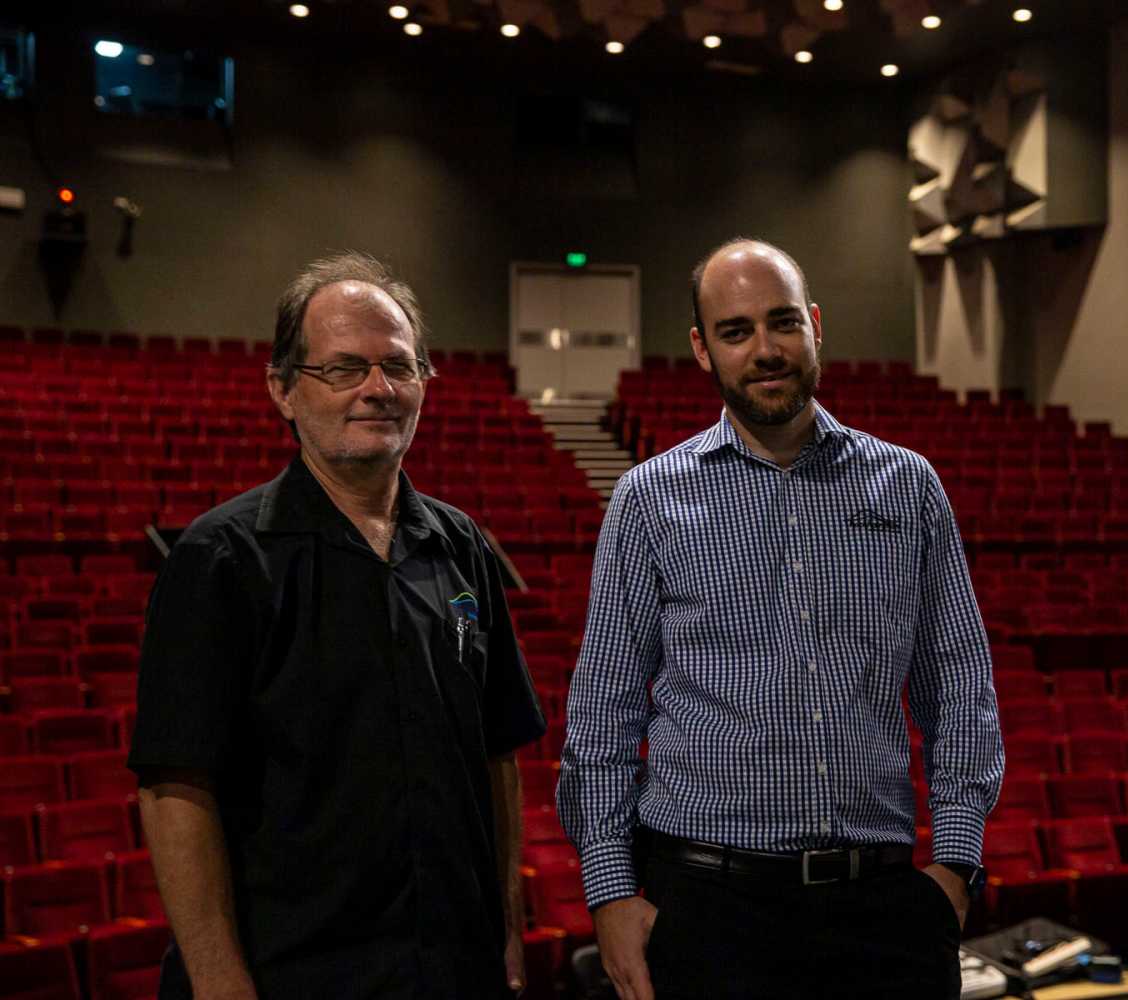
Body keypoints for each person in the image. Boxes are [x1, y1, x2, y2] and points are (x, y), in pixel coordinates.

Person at [557, 238, 1003, 1000]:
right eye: (736, 331)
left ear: (815, 327)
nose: (764, 350)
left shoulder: (908, 489)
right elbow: (601, 717)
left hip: (880, 910)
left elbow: (959, 686)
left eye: (782, 323)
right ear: (703, 349)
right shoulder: (648, 500)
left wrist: (956, 865)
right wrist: (609, 894)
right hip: (707, 910)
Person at [128, 252, 547, 999]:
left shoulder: (463, 548)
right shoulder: (219, 559)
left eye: (399, 367)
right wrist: (221, 982)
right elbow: (174, 789)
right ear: (284, 390)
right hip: (295, 972)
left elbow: (497, 757)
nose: (379, 390)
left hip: (452, 969)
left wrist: (505, 931)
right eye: (344, 369)